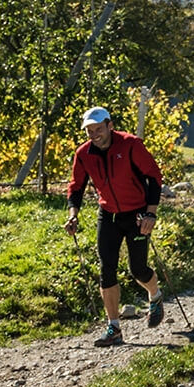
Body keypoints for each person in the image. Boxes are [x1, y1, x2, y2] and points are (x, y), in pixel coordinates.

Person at [62, 107, 165, 347]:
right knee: (106, 267)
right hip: (108, 214)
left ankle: (155, 295)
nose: (94, 134)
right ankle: (114, 327)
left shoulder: (130, 145)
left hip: (137, 213)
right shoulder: (84, 153)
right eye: (89, 130)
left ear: (109, 125)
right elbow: (76, 187)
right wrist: (73, 215)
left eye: (98, 129)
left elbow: (154, 177)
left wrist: (151, 213)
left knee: (138, 269)